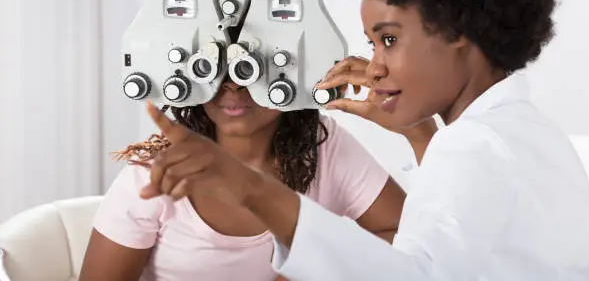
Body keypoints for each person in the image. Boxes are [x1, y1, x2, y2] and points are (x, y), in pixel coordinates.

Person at [133, 0, 589, 280]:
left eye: (390, 40)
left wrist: (251, 189)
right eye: (372, 44)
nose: (373, 67)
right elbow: (456, 244)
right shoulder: (524, 131)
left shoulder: (474, 145)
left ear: (457, 31)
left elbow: (412, 273)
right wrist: (418, 134)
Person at [79, 78, 410, 281]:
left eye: (251, 68)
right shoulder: (154, 174)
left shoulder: (326, 147)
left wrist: (309, 265)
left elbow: (408, 238)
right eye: (217, 68)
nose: (233, 86)